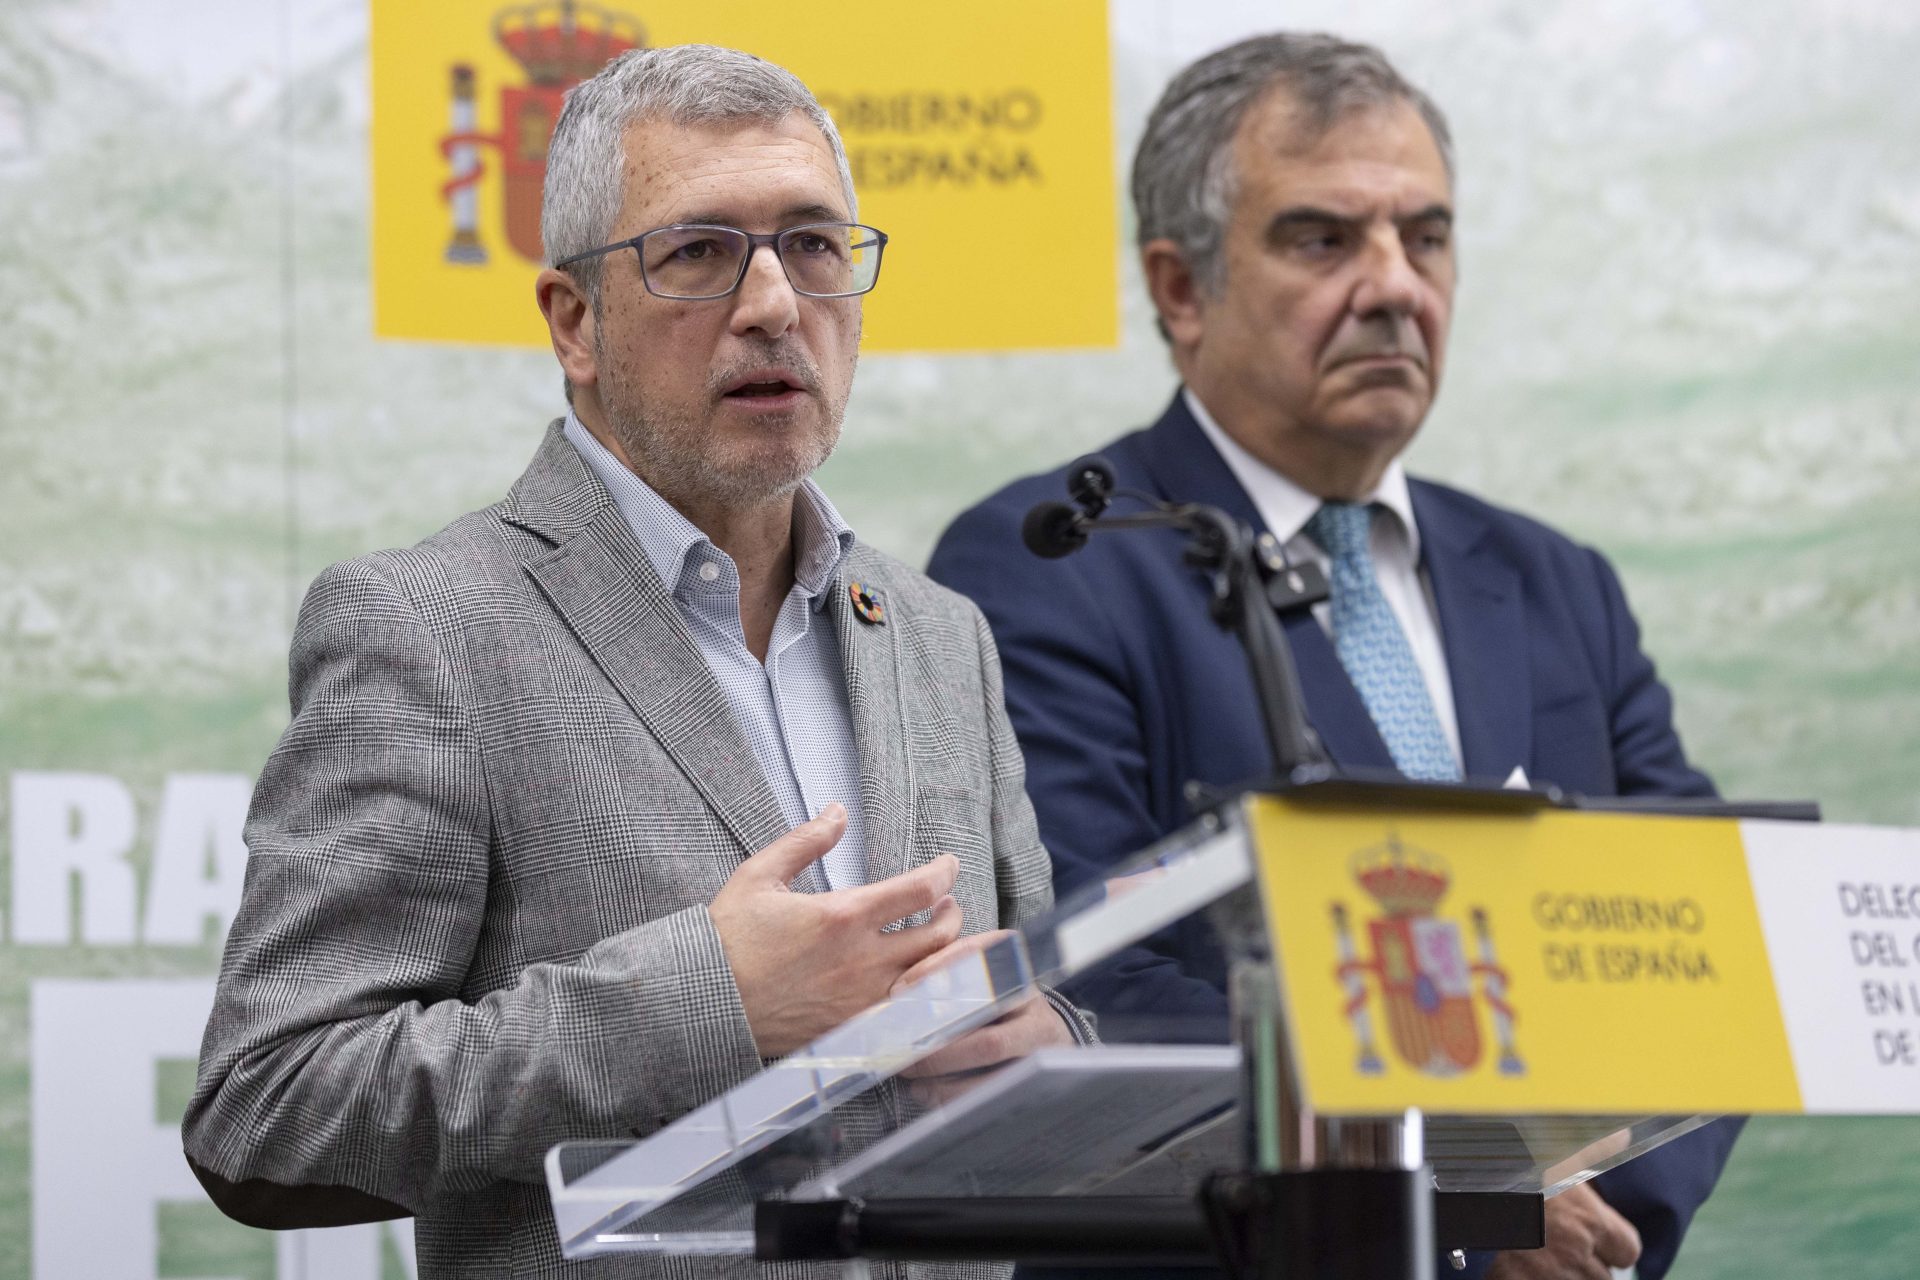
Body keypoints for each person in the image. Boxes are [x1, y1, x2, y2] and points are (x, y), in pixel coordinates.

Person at [183, 44, 1087, 1279]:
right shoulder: (428, 626)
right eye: (700, 251)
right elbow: (266, 1108)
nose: (775, 303)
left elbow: (1030, 989)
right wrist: (707, 1000)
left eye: (815, 246)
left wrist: (1041, 1046)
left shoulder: (940, 635)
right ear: (575, 323)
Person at [929, 32, 1738, 1280]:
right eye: (1322, 238)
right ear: (1180, 288)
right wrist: (1465, 1190)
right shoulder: (1049, 569)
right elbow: (1084, 977)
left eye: (1426, 237)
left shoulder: (1555, 580)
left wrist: (1578, 1210)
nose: (1393, 285)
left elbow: (1702, 949)